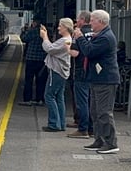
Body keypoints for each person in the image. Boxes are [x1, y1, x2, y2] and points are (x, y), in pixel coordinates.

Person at [72, 9, 120, 154]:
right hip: (97, 79)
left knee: (104, 112)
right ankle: (99, 139)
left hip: (105, 80)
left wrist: (80, 38)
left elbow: (89, 52)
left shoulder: (105, 38)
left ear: (101, 22)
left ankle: (111, 143)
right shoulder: (100, 35)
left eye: (92, 20)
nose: (90, 23)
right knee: (95, 111)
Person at [39, 18, 74, 132]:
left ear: (66, 27)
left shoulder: (64, 40)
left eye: (60, 26)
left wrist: (44, 37)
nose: (58, 28)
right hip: (62, 72)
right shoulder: (68, 40)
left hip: (56, 71)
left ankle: (54, 124)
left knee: (49, 96)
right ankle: (61, 123)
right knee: (59, 97)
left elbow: (49, 49)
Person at [67, 10, 94, 139]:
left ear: (83, 20)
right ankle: (91, 128)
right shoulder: (95, 33)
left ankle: (83, 128)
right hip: (93, 71)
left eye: (78, 19)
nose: (76, 21)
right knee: (90, 101)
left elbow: (75, 53)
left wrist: (67, 48)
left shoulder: (78, 33)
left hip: (81, 70)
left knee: (82, 101)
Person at [18, 17, 47, 106]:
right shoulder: (46, 32)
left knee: (29, 80)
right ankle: (40, 99)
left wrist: (23, 31)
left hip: (31, 59)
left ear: (35, 23)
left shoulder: (32, 31)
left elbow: (23, 39)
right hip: (42, 60)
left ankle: (28, 99)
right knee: (41, 81)